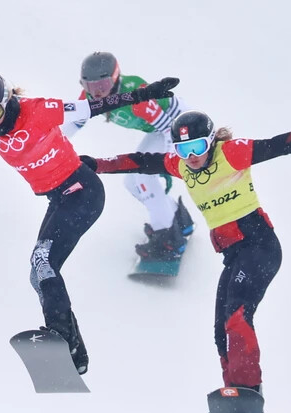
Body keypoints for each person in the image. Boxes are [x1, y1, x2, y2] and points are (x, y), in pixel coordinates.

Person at [80, 105, 291, 398]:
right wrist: (97, 164)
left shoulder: (232, 153)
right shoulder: (181, 166)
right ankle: (237, 399)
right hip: (235, 256)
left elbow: (283, 144)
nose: (191, 156)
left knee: (237, 318)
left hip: (260, 247)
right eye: (183, 149)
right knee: (220, 332)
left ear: (212, 141)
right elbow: (139, 161)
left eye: (198, 147)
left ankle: (247, 388)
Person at [0, 73, 179, 375]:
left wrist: (145, 94)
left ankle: (61, 338)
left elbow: (96, 106)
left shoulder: (38, 109)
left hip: (82, 192)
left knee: (44, 261)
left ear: (8, 102)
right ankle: (76, 354)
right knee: (36, 273)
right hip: (59, 198)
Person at [61, 52, 194, 261]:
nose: (97, 94)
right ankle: (177, 218)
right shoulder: (89, 98)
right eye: (90, 87)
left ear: (115, 79)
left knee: (144, 178)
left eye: (102, 86)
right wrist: (49, 144)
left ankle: (169, 239)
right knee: (131, 182)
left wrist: (169, 162)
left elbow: (170, 128)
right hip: (159, 130)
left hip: (178, 127)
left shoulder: (135, 95)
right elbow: (74, 122)